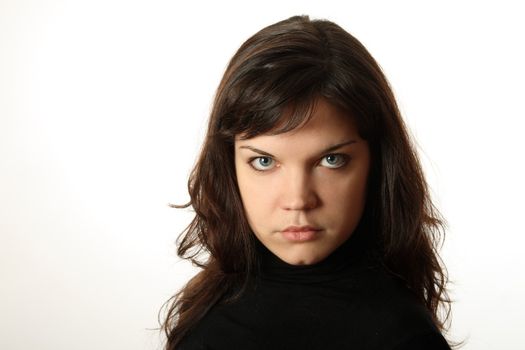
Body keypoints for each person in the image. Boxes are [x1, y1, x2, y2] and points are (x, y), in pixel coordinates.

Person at [161, 15, 455, 349]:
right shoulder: (208, 309)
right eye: (264, 161)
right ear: (228, 166)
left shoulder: (403, 336)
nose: (298, 199)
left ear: (378, 165)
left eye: (331, 160)